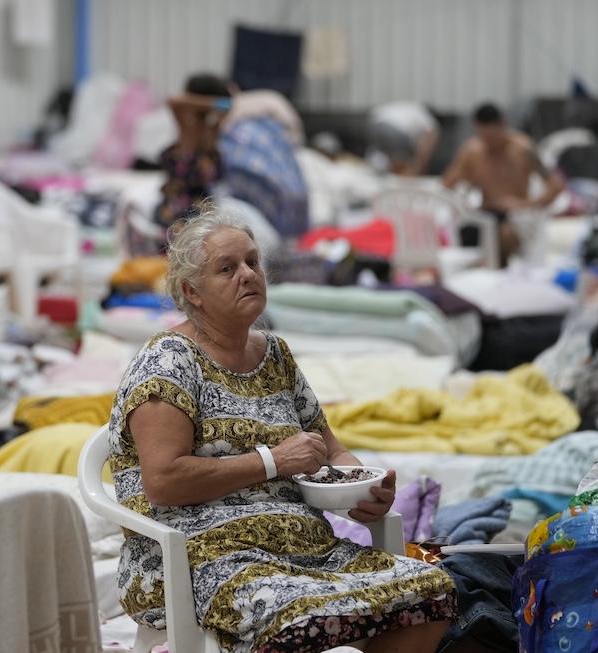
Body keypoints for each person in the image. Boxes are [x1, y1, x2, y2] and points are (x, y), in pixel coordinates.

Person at [109, 208, 456, 653]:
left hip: (303, 547)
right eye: (227, 269)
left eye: (253, 262)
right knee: (300, 618)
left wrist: (361, 490)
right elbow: (163, 480)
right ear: (191, 292)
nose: (248, 275)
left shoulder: (275, 355)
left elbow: (329, 449)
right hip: (201, 555)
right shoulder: (168, 361)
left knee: (433, 589)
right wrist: (272, 462)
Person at [442, 103, 564, 266]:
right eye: (483, 137)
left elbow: (556, 187)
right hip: (485, 212)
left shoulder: (522, 149)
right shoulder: (472, 151)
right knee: (468, 233)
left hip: (517, 215)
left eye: (491, 137)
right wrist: (466, 185)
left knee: (503, 235)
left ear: (502, 126)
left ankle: (501, 273)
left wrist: (525, 204)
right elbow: (447, 184)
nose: (488, 143)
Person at [153, 75, 230, 231]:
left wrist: (208, 103)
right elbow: (173, 100)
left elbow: (228, 104)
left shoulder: (211, 124)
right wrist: (209, 102)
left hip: (200, 198)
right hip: (181, 201)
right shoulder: (189, 122)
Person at [367, 100, 440, 176]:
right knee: (402, 163)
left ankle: (379, 173)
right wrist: (419, 164)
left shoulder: (411, 107)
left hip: (375, 125)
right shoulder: (426, 116)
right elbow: (427, 143)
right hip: (396, 130)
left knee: (383, 156)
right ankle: (405, 180)